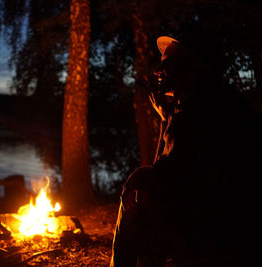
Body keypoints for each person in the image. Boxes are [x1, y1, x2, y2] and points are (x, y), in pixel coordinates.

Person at [110, 32, 262, 266]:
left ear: (190, 65)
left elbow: (168, 176)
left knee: (139, 196)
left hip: (219, 228)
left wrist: (138, 177)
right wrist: (166, 117)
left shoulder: (196, 110)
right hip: (230, 221)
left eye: (167, 63)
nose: (157, 71)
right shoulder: (220, 98)